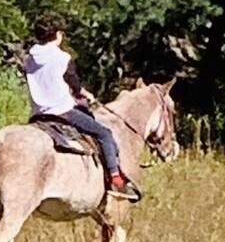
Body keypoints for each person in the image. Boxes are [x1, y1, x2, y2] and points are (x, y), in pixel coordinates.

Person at [21, 14, 141, 203]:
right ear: (58, 35)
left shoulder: (29, 59)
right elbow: (75, 86)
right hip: (63, 112)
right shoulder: (62, 58)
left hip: (38, 114)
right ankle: (116, 180)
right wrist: (84, 94)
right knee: (104, 134)